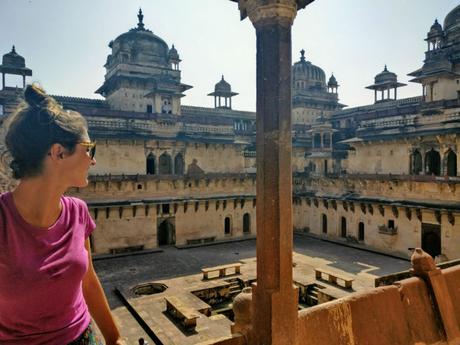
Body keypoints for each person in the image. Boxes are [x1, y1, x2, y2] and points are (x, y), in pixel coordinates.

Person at [0, 84, 123, 345]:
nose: (93, 160)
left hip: (82, 337)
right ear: (58, 153)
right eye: (89, 148)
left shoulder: (77, 212)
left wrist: (114, 338)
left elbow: (88, 281)